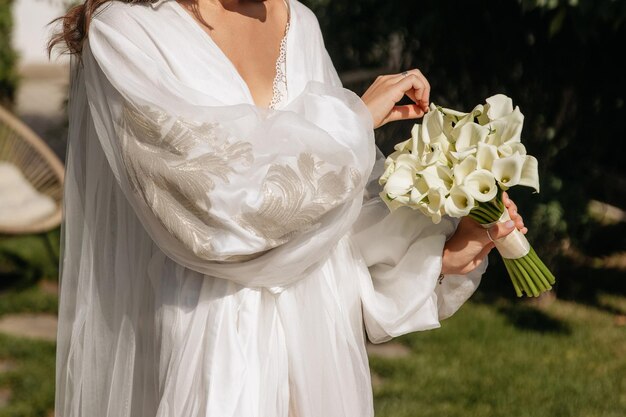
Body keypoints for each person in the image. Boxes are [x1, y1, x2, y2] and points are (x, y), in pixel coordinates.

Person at [49, 0, 527, 416]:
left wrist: (441, 248)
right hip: (212, 338)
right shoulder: (128, 32)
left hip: (321, 339)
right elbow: (217, 206)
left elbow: (344, 208)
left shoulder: (299, 22)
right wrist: (354, 118)